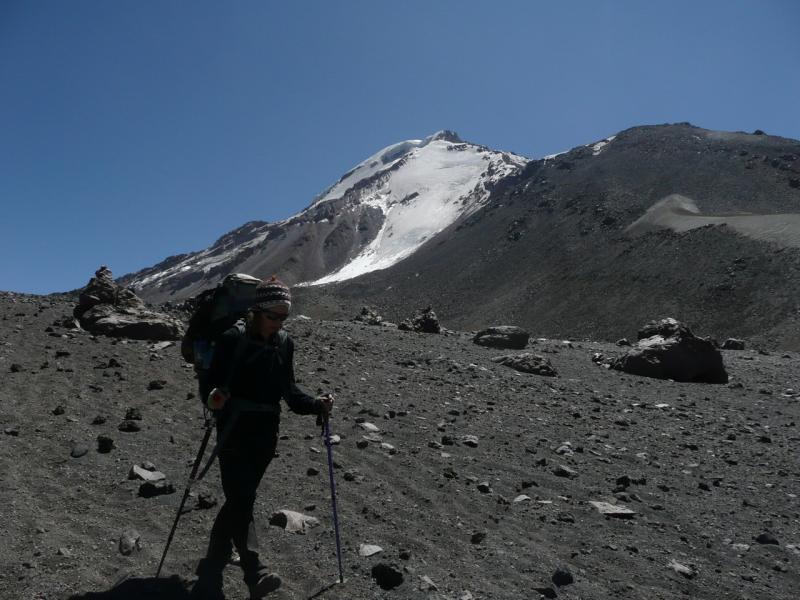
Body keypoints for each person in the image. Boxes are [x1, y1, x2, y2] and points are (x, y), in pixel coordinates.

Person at [191, 276, 333, 600]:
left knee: (240, 499)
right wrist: (213, 397)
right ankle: (254, 571)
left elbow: (290, 394)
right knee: (241, 499)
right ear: (257, 310)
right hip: (233, 429)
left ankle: (213, 561)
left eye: (284, 317)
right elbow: (209, 386)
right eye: (273, 316)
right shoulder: (232, 338)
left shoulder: (284, 343)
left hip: (266, 434)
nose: (278, 323)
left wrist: (317, 404)